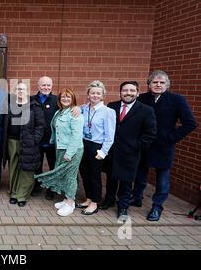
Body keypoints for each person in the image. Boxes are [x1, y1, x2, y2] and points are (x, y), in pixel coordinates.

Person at [130, 70, 197, 221]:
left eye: (161, 82)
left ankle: (157, 206)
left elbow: (190, 123)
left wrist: (171, 137)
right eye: (155, 82)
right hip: (144, 144)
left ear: (167, 85)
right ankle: (136, 198)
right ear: (149, 85)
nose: (158, 85)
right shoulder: (141, 99)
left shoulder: (176, 100)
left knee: (162, 179)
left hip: (164, 145)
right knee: (140, 173)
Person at [101, 81, 157, 220]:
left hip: (131, 152)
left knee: (126, 181)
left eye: (132, 90)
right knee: (111, 178)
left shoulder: (146, 110)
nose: (128, 93)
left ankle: (123, 206)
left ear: (137, 93)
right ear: (120, 92)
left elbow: (150, 133)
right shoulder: (111, 106)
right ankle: (108, 200)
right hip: (113, 151)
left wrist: (137, 146)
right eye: (125, 90)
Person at [35, 88, 84, 216]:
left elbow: (76, 136)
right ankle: (66, 199)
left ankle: (70, 202)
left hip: (72, 150)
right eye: (63, 97)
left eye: (68, 97)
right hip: (60, 147)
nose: (65, 99)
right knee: (65, 175)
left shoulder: (75, 114)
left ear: (73, 99)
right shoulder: (59, 112)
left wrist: (69, 153)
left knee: (70, 176)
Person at [3, 82, 45, 207]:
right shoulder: (11, 105)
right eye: (18, 89)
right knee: (14, 168)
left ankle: (22, 195)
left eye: (23, 89)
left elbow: (41, 125)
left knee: (26, 170)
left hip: (28, 143)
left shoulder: (34, 106)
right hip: (12, 141)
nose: (20, 91)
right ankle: (14, 193)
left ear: (27, 91)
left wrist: (34, 140)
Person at [77, 80, 116, 215]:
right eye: (92, 93)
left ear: (102, 95)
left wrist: (103, 151)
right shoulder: (83, 108)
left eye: (98, 93)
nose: (95, 95)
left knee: (94, 175)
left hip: (97, 146)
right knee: (84, 173)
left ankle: (95, 202)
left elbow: (110, 135)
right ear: (88, 94)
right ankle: (88, 198)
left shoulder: (108, 112)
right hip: (83, 144)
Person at [31, 76, 58, 199]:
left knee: (53, 166)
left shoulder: (57, 100)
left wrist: (76, 109)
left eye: (48, 85)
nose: (46, 87)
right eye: (43, 85)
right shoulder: (31, 100)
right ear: (38, 86)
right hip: (36, 141)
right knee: (37, 165)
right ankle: (37, 186)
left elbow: (69, 109)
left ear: (52, 86)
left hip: (51, 141)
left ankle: (51, 188)